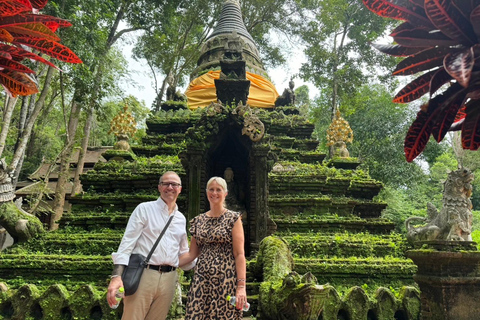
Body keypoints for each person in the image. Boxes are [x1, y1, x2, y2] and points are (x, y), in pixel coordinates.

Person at [107, 171, 194, 320]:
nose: (170, 187)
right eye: (166, 183)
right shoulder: (144, 209)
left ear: (180, 189)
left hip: (170, 278)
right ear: (159, 187)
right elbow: (127, 244)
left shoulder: (181, 218)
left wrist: (205, 257)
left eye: (174, 184)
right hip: (144, 274)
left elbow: (183, 254)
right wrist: (116, 276)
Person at [180, 176, 247, 319]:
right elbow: (192, 254)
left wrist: (241, 286)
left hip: (225, 278)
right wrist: (167, 262)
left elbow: (239, 254)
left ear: (225, 193)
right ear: (206, 192)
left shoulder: (233, 219)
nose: (214, 193)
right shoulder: (199, 221)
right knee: (196, 315)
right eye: (211, 189)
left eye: (218, 190)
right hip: (202, 278)